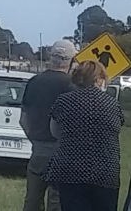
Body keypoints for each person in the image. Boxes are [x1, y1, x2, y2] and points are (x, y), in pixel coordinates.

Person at [44, 60, 124, 211]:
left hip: (70, 172)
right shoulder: (113, 105)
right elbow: (116, 131)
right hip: (106, 173)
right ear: (100, 79)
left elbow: (54, 131)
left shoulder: (64, 101)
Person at [20, 40, 76, 211]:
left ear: (51, 58)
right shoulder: (72, 86)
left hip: (39, 150)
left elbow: (23, 119)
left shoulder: (34, 82)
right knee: (58, 202)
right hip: (65, 153)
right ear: (71, 61)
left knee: (32, 200)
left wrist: (35, 140)